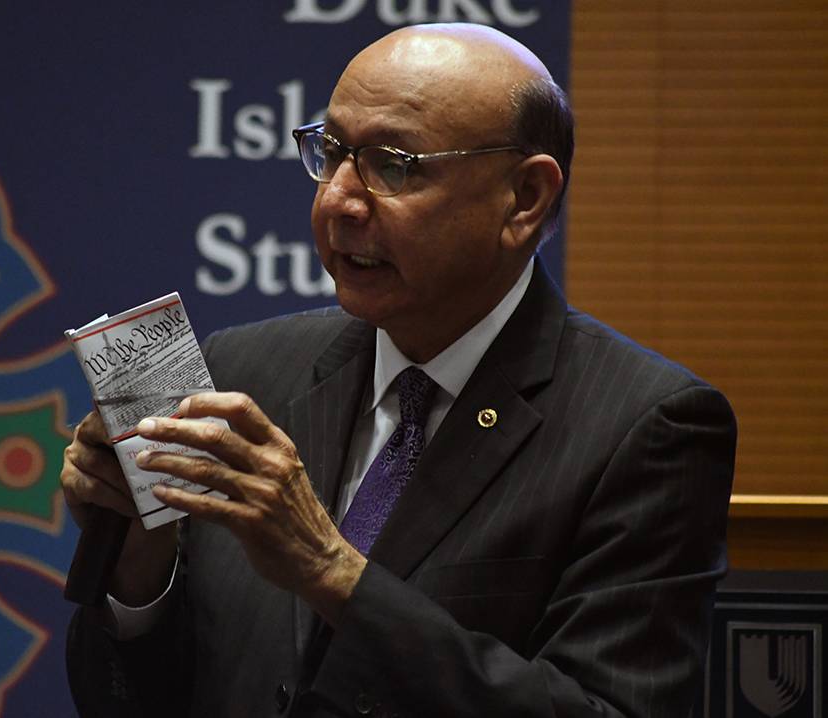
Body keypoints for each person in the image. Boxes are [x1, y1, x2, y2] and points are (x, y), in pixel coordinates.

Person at [61, 23, 736, 718]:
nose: (336, 202)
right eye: (330, 153)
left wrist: (330, 570)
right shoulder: (243, 371)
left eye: (394, 166)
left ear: (524, 197)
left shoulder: (645, 427)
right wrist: (139, 565)